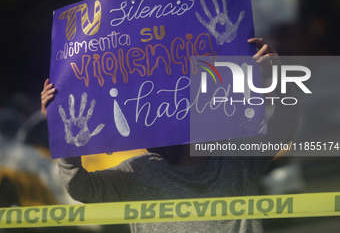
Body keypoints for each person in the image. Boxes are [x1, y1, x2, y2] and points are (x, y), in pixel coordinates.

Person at [41, 38, 300, 232]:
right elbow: (80, 187)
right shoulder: (138, 174)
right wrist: (66, 138)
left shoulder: (239, 159)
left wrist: (277, 74)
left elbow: (287, 121)